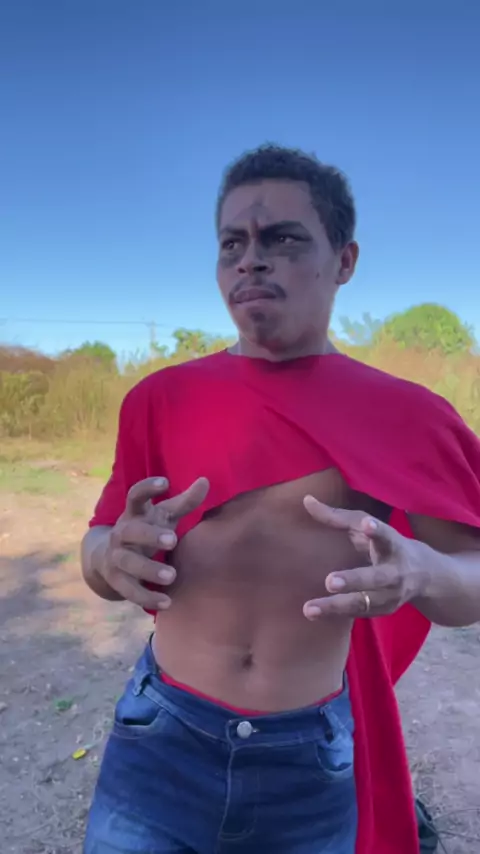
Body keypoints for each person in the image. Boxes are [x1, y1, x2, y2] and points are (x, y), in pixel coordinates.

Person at [81, 144, 480, 854]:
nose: (250, 261)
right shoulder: (160, 399)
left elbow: (471, 580)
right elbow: (98, 549)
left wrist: (423, 571)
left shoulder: (409, 415)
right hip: (159, 738)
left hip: (307, 757)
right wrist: (109, 557)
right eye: (232, 243)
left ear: (344, 260)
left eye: (283, 239)